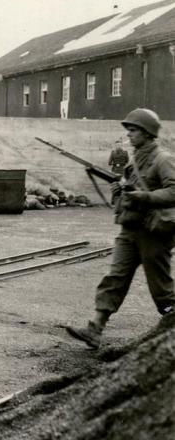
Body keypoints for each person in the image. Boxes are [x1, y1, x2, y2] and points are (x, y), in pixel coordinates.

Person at [66, 108, 175, 349]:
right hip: (130, 229)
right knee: (115, 277)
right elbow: (130, 190)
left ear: (147, 133)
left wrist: (144, 197)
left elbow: (174, 191)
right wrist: (120, 191)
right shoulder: (135, 159)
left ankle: (171, 330)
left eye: (133, 131)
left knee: (161, 287)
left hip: (153, 232)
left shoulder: (162, 159)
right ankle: (95, 328)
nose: (129, 135)